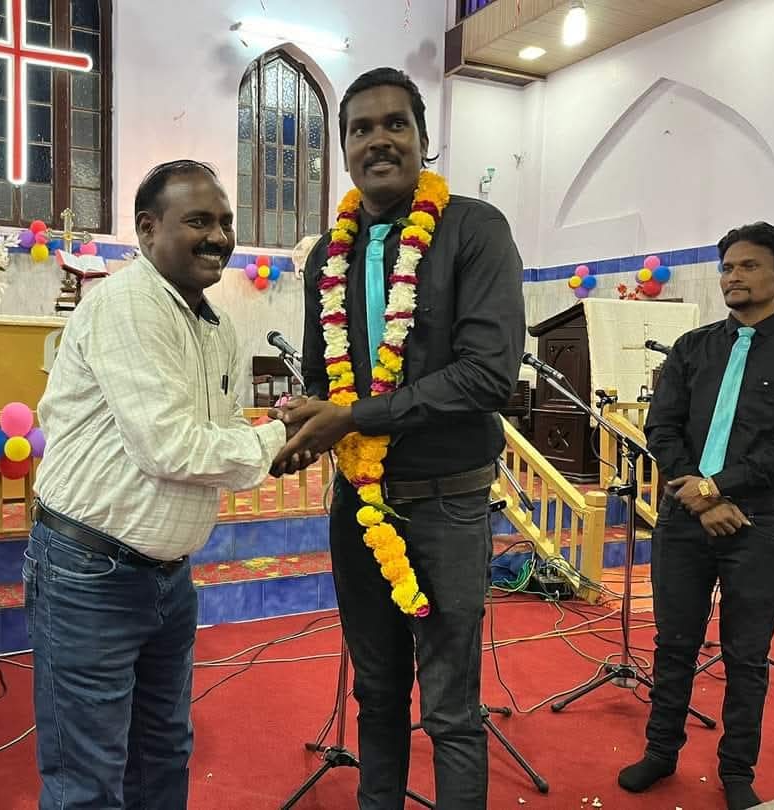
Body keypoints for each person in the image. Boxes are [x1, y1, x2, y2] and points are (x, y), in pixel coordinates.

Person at [273, 67, 526, 809]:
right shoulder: (330, 252)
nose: (378, 139)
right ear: (343, 148)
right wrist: (299, 428)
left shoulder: (474, 229)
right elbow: (322, 381)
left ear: (422, 139)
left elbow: (487, 377)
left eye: (395, 124)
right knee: (377, 699)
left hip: (445, 505)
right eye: (361, 128)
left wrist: (352, 419)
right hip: (359, 507)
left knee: (449, 708)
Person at [27, 160, 306, 809]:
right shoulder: (128, 303)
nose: (218, 237)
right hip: (89, 574)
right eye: (199, 221)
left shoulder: (216, 324)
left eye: (225, 222)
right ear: (148, 229)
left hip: (167, 577)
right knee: (86, 777)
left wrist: (275, 431)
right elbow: (170, 447)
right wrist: (278, 440)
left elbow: (220, 426)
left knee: (163, 752)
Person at [618, 222, 774, 810]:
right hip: (684, 519)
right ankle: (661, 751)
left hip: (761, 522)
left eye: (748, 266)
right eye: (727, 267)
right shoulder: (694, 347)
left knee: (746, 654)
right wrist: (700, 498)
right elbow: (661, 427)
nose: (732, 277)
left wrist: (718, 487)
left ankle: (737, 770)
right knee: (673, 644)